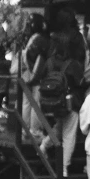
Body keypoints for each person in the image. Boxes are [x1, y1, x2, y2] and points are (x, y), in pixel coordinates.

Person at [37, 36, 84, 177]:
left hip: (51, 103)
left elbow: (41, 78)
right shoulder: (73, 64)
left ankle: (43, 146)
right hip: (69, 103)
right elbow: (79, 82)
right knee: (69, 134)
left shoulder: (49, 62)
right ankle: (63, 168)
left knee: (58, 127)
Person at [20, 13, 50, 142]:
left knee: (26, 103)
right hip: (36, 76)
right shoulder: (40, 39)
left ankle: (24, 129)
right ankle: (35, 130)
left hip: (25, 74)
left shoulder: (28, 38)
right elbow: (40, 58)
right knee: (36, 103)